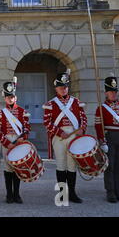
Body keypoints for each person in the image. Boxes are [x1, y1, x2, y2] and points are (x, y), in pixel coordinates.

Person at [43, 70, 87, 203]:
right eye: (61, 87)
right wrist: (59, 132)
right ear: (56, 88)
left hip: (74, 136)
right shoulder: (51, 104)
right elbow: (47, 122)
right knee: (61, 164)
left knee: (72, 165)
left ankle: (72, 193)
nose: (63, 89)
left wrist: (81, 129)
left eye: (65, 87)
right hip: (59, 137)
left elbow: (83, 118)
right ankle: (62, 194)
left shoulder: (76, 102)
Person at [95, 75, 119, 203]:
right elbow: (98, 126)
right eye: (111, 91)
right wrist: (102, 141)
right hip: (109, 137)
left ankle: (118, 191)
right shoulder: (101, 109)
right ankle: (110, 192)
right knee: (109, 166)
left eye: (115, 91)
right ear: (106, 93)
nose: (114, 94)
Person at [0, 77, 31, 204]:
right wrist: (7, 143)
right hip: (7, 143)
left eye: (12, 96)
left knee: (17, 168)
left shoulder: (22, 112)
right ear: (5, 98)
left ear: (16, 97)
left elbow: (27, 128)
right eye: (8, 97)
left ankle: (17, 194)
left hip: (19, 142)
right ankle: (9, 195)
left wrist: (22, 138)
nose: (10, 99)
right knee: (8, 169)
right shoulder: (1, 113)